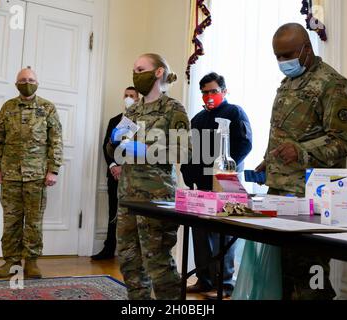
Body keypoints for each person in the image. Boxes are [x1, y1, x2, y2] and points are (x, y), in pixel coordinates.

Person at [255, 23, 347, 300]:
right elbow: (287, 134)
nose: (282, 62)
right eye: (277, 56)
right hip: (281, 192)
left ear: (307, 49)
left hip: (313, 197)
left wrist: (300, 152)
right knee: (284, 275)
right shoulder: (290, 83)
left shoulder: (332, 84)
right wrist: (270, 161)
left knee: (310, 276)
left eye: (287, 54)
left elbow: (344, 140)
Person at [107, 53, 191, 300]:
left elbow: (185, 150)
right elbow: (117, 149)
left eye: (140, 68)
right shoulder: (133, 111)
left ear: (158, 72)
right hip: (128, 195)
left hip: (157, 196)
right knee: (129, 258)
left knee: (157, 261)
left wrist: (147, 150)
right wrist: (115, 143)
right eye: (133, 69)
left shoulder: (172, 109)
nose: (135, 73)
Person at [0, 67, 63, 279]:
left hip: (37, 176)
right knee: (11, 220)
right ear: (16, 83)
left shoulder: (47, 108)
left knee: (34, 221)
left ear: (37, 82)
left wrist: (53, 170)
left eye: (30, 79)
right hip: (10, 174)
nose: (27, 82)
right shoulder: (7, 108)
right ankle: (11, 261)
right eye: (22, 80)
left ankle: (31, 262)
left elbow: (55, 141)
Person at [181, 72, 252, 299]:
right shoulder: (198, 118)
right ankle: (204, 280)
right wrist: (187, 170)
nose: (209, 96)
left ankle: (225, 285)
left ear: (224, 90)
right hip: (201, 186)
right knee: (200, 234)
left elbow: (245, 144)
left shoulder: (235, 112)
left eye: (213, 91)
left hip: (225, 184)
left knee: (223, 234)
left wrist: (225, 170)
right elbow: (190, 149)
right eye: (204, 92)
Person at [91, 87, 140, 261]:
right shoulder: (114, 121)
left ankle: (131, 252)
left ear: (138, 98)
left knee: (133, 213)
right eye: (125, 95)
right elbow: (107, 146)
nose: (128, 98)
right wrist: (113, 165)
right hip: (114, 175)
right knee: (114, 212)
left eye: (131, 96)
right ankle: (109, 248)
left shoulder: (142, 121)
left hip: (133, 177)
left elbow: (139, 150)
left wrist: (124, 167)